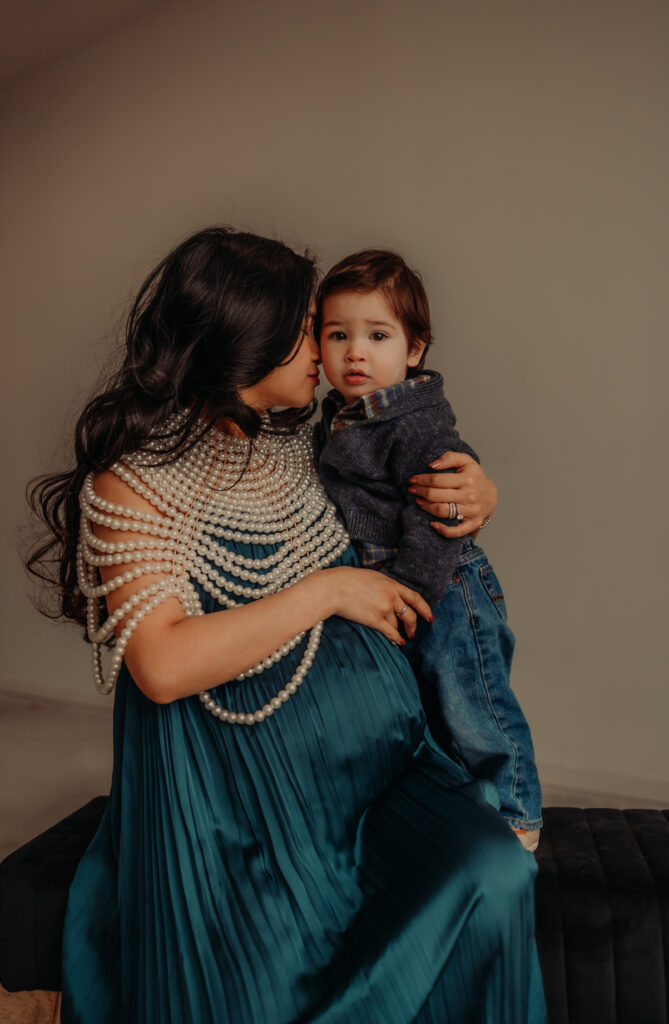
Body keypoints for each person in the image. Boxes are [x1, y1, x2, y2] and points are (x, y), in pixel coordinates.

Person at [27, 227, 546, 1023]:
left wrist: (477, 493)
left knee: (496, 875)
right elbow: (160, 665)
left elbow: (411, 482)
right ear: (245, 338)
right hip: (236, 810)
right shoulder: (133, 481)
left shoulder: (303, 446)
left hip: (375, 777)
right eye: (308, 328)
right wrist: (325, 592)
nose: (327, 348)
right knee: (258, 986)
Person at [314, 249, 542, 850]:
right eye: (338, 334)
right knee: (429, 709)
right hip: (395, 584)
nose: (355, 352)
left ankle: (519, 814)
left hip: (444, 581)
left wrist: (412, 594)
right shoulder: (337, 417)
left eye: (377, 335)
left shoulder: (413, 420)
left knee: (473, 697)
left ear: (414, 349)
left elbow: (437, 505)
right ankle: (462, 805)